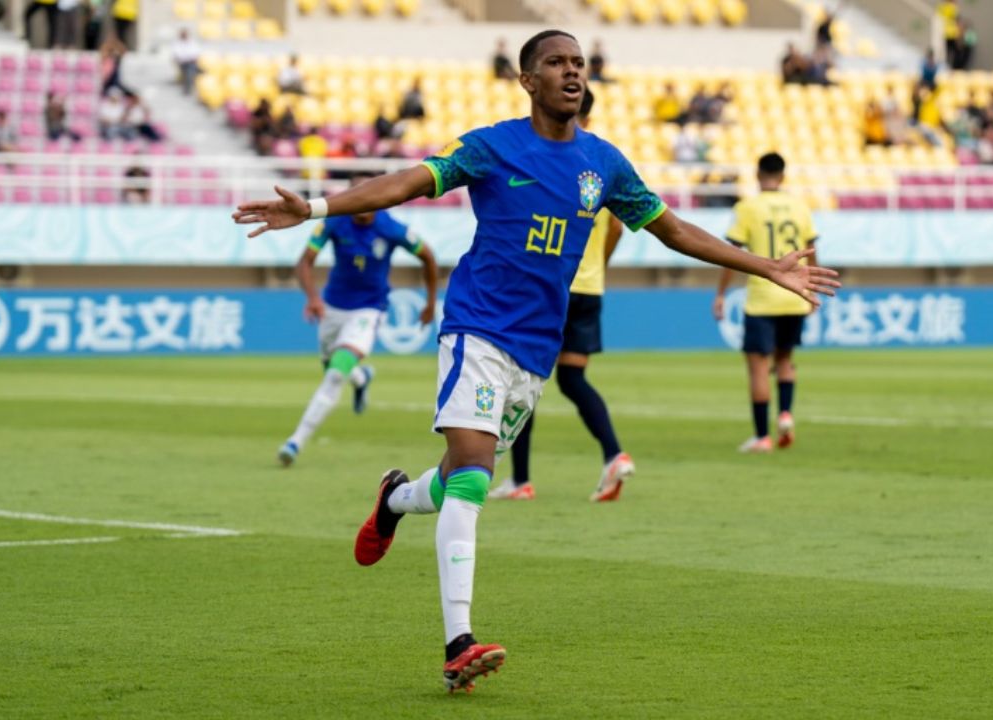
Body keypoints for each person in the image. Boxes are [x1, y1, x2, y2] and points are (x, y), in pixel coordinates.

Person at [232, 30, 839, 693]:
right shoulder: (492, 146)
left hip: (535, 348)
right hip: (476, 327)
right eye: (556, 63)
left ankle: (395, 501)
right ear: (528, 80)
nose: (571, 72)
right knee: (471, 476)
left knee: (455, 479)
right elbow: (408, 181)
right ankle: (458, 643)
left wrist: (764, 266)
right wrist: (317, 206)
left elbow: (674, 229)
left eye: (578, 63)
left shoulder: (603, 164)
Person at [490, 89, 634, 503]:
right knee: (573, 379)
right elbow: (620, 228)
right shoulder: (603, 163)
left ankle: (520, 480)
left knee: (522, 378)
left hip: (552, 289)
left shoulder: (555, 159)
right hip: (590, 288)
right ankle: (613, 453)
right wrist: (599, 266)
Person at [277, 173, 440, 466]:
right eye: (358, 193)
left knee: (335, 373)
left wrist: (430, 302)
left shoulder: (391, 228)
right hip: (332, 307)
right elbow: (305, 261)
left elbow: (428, 256)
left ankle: (295, 441)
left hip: (369, 309)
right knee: (332, 365)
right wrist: (313, 298)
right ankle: (362, 377)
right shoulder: (334, 221)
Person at [713, 152, 819, 453]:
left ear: (758, 175)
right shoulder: (801, 208)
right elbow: (810, 250)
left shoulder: (747, 208)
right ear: (783, 176)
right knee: (785, 359)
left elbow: (731, 254)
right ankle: (785, 414)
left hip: (762, 297)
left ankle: (762, 436)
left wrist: (721, 293)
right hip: (794, 295)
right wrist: (810, 287)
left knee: (758, 367)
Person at [171, 29, 201, 96]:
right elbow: (176, 54)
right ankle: (188, 87)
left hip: (191, 62)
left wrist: (191, 57)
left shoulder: (192, 42)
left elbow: (196, 52)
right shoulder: (177, 43)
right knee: (189, 72)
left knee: (191, 71)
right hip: (183, 63)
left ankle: (189, 87)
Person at [938, 0, 960, 65]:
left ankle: (949, 65)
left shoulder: (945, 7)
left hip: (948, 33)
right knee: (953, 51)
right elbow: (955, 18)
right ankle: (951, 65)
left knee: (950, 52)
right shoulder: (952, 8)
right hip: (951, 33)